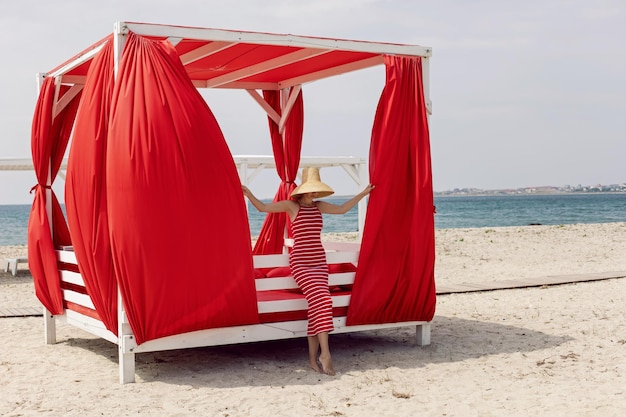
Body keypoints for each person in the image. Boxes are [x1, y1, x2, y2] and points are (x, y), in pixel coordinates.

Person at [242, 167, 374, 376]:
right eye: (313, 191)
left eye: (317, 191)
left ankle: (313, 360)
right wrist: (249, 194)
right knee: (323, 300)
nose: (315, 195)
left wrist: (363, 194)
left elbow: (342, 210)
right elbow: (263, 208)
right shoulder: (291, 207)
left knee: (317, 308)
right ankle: (326, 354)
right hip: (301, 265)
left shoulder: (319, 207)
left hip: (319, 263)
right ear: (304, 191)